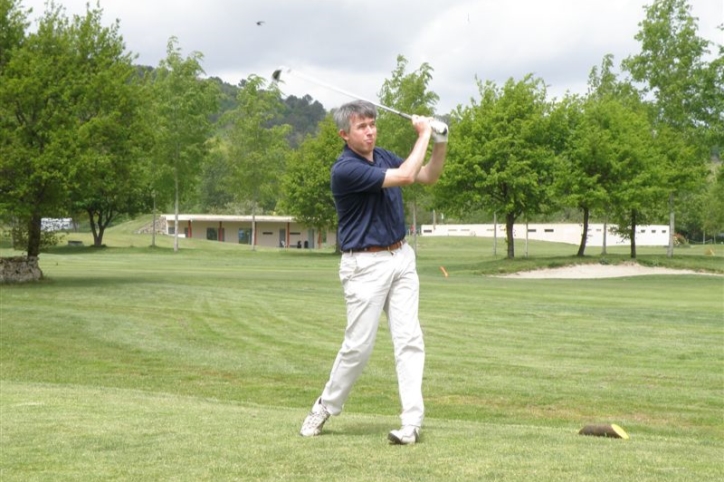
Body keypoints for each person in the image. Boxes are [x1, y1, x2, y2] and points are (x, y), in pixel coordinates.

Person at [299, 100, 448, 445]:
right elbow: (408, 174)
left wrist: (440, 143)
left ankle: (411, 424)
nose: (370, 131)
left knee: (410, 340)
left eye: (372, 124)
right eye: (362, 126)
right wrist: (424, 132)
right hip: (364, 266)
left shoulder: (382, 155)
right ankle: (325, 406)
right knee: (358, 347)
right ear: (344, 134)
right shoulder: (345, 169)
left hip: (401, 256)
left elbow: (427, 176)